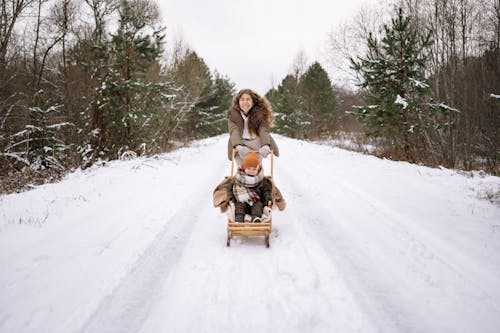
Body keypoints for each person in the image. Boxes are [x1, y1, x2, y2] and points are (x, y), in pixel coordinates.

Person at [227, 89, 280, 165]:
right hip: (240, 142)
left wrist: (265, 145)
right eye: (242, 99)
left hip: (256, 142)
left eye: (248, 99)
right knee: (241, 168)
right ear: (238, 102)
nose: (245, 102)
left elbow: (263, 129)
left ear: (253, 101)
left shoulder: (261, 113)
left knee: (255, 167)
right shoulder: (232, 114)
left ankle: (259, 175)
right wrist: (238, 146)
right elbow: (234, 131)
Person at [228, 151, 273, 223]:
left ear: (258, 169)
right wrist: (230, 199)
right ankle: (239, 218)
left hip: (256, 202)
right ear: (244, 168)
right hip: (242, 201)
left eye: (254, 169)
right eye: (248, 169)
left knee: (258, 205)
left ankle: (256, 218)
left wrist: (268, 200)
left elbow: (266, 191)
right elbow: (231, 190)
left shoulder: (262, 180)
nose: (251, 171)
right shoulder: (238, 178)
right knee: (238, 205)